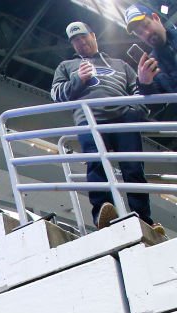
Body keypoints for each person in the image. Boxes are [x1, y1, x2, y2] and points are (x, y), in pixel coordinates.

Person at [51, 21, 154, 229]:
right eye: (75, 41)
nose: (81, 43)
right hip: (89, 120)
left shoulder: (120, 64)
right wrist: (78, 79)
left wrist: (136, 111)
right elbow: (56, 95)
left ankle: (143, 218)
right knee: (97, 166)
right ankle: (103, 213)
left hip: (123, 119)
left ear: (93, 36)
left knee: (133, 168)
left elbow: (139, 91)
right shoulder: (66, 66)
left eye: (83, 37)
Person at [126, 4, 177, 95]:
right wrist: (145, 85)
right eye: (140, 33)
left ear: (156, 18)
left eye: (146, 25)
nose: (146, 33)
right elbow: (157, 107)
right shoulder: (151, 68)